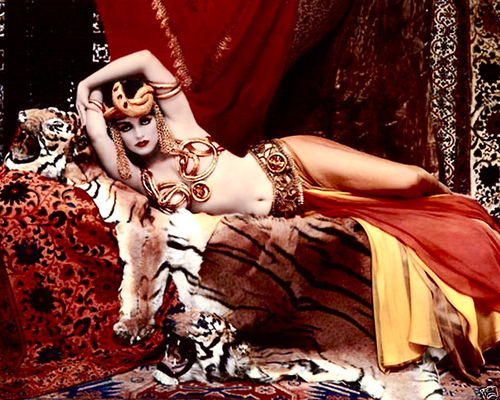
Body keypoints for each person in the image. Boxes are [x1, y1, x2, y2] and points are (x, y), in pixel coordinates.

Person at [76, 50, 500, 380]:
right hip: (302, 204)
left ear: (157, 115)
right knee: (395, 225)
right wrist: (89, 101)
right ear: (116, 136)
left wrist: (89, 82)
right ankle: (464, 239)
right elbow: (95, 127)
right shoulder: (138, 177)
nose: (139, 133)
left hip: (294, 161)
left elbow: (147, 59)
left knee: (412, 181)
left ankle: (463, 214)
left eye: (145, 120)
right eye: (125, 128)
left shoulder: (183, 126)